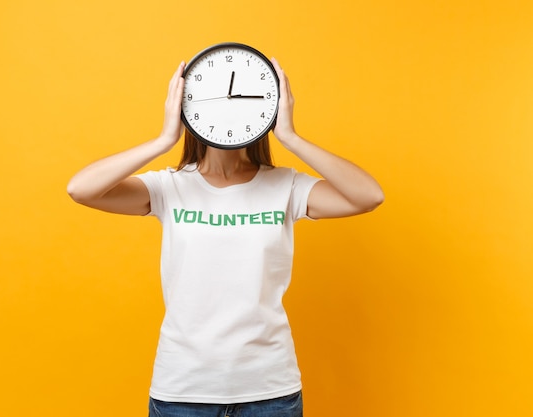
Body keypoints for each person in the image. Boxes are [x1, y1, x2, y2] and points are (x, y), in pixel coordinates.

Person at [67, 57, 384, 417]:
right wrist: (164, 139)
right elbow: (80, 189)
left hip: (269, 391)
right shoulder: (168, 187)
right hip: (183, 390)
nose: (228, 109)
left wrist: (291, 138)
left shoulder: (286, 186)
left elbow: (369, 196)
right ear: (188, 108)